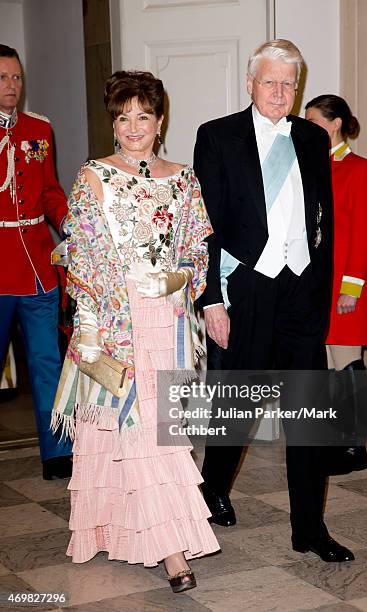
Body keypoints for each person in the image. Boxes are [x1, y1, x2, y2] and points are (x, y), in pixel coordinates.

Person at [51, 70, 219, 593]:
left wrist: (178, 279)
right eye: (122, 117)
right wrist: (89, 328)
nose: (132, 127)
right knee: (137, 433)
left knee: (160, 435)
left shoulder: (184, 179)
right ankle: (173, 554)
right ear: (113, 121)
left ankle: (125, 533)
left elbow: (197, 252)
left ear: (159, 119)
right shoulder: (93, 176)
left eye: (142, 116)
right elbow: (83, 257)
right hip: (116, 323)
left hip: (168, 322)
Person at [194, 39, 354, 562]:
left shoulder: (310, 137)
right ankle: (213, 487)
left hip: (300, 292)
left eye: (289, 84)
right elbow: (206, 227)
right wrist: (211, 299)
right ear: (250, 83)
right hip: (248, 290)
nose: (280, 93)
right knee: (235, 404)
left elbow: (322, 218)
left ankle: (309, 527)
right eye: (270, 82)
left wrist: (321, 287)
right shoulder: (217, 137)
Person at [0, 44, 72, 478]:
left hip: (37, 263)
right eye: (4, 78)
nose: (12, 86)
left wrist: (69, 223)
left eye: (16, 78)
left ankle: (57, 450)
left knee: (48, 360)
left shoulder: (38, 129)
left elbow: (48, 190)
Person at [305, 94, 367, 471]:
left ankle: (355, 447)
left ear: (335, 124)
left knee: (348, 363)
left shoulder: (360, 169)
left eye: (315, 120)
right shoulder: (313, 168)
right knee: (329, 368)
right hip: (317, 286)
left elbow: (366, 235)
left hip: (346, 287)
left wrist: (350, 288)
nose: (309, 127)